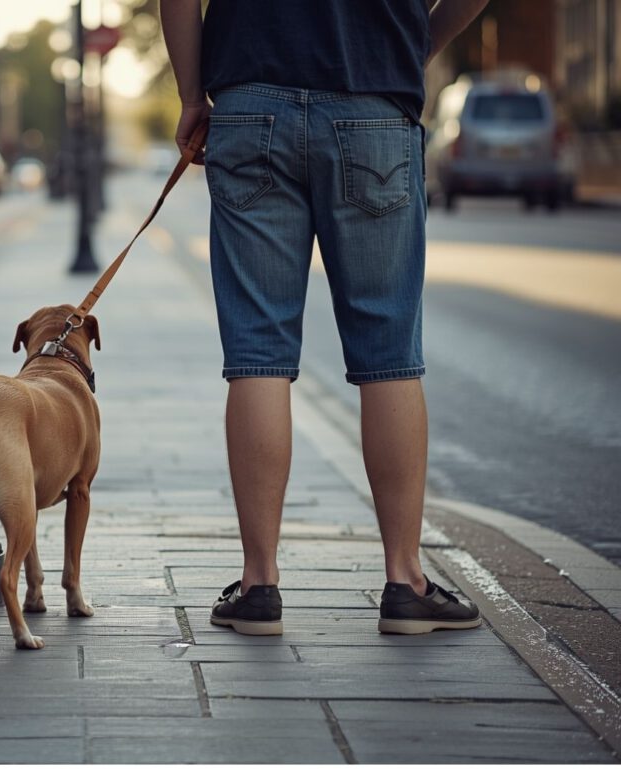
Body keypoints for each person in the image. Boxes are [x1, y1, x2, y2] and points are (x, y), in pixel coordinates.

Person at [160, 0, 488, 635]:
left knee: (257, 351)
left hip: (250, 104)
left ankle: (259, 586)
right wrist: (412, 44)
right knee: (388, 352)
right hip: (373, 101)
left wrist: (192, 94)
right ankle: (405, 581)